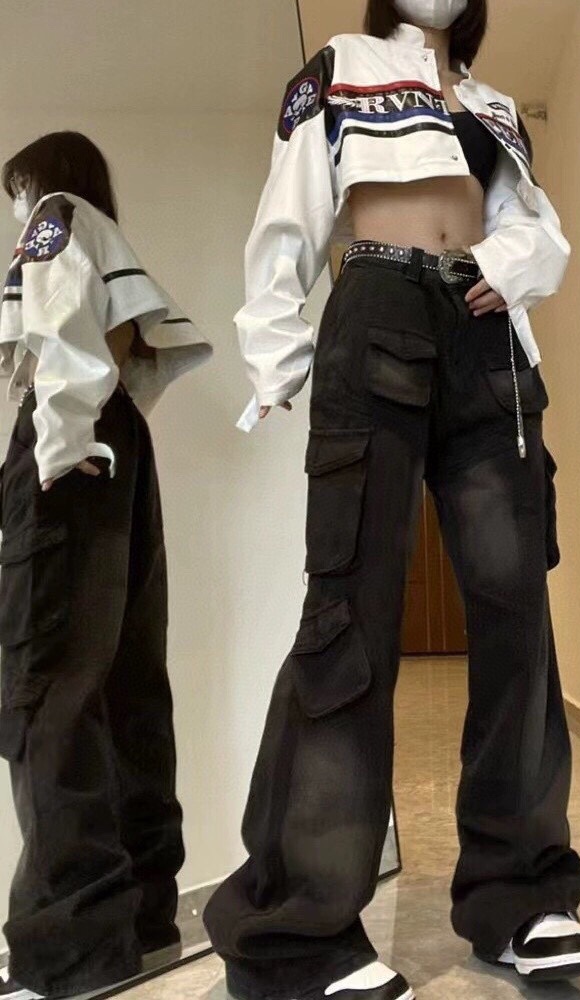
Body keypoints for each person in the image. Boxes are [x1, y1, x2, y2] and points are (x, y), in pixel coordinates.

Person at [203, 2, 580, 998]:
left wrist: (509, 263)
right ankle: (299, 930)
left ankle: (522, 896)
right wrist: (277, 351)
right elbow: (290, 208)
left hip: (486, 329)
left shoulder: (495, 104)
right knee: (349, 614)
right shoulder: (340, 63)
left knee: (517, 614)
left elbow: (536, 228)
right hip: (375, 301)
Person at [0, 131, 212, 1000]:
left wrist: (57, 444)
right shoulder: (103, 231)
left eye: (15, 187)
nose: (17, 206)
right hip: (120, 445)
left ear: (38, 179)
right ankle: (142, 916)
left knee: (46, 686)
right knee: (126, 684)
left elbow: (60, 332)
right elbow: (129, 351)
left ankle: (70, 949)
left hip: (74, 449)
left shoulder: (55, 216)